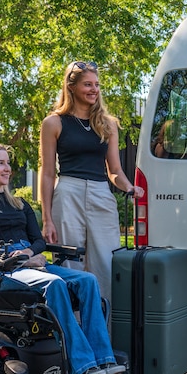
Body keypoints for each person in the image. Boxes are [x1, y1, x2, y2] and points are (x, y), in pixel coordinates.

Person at [0, 142, 125, 374]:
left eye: (7, 163)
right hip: (4, 272)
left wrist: (30, 253)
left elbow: (38, 241)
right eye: (0, 163)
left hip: (33, 264)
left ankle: (104, 358)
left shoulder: (20, 204)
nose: (7, 168)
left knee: (88, 281)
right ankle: (82, 364)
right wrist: (22, 259)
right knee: (55, 284)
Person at [39, 61, 143, 303]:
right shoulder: (53, 123)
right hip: (67, 192)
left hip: (101, 194)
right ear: (71, 87)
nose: (94, 89)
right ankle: (71, 332)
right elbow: (46, 173)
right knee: (70, 264)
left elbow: (114, 170)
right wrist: (47, 219)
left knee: (106, 265)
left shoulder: (107, 124)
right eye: (87, 84)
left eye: (96, 85)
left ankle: (104, 335)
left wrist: (128, 186)